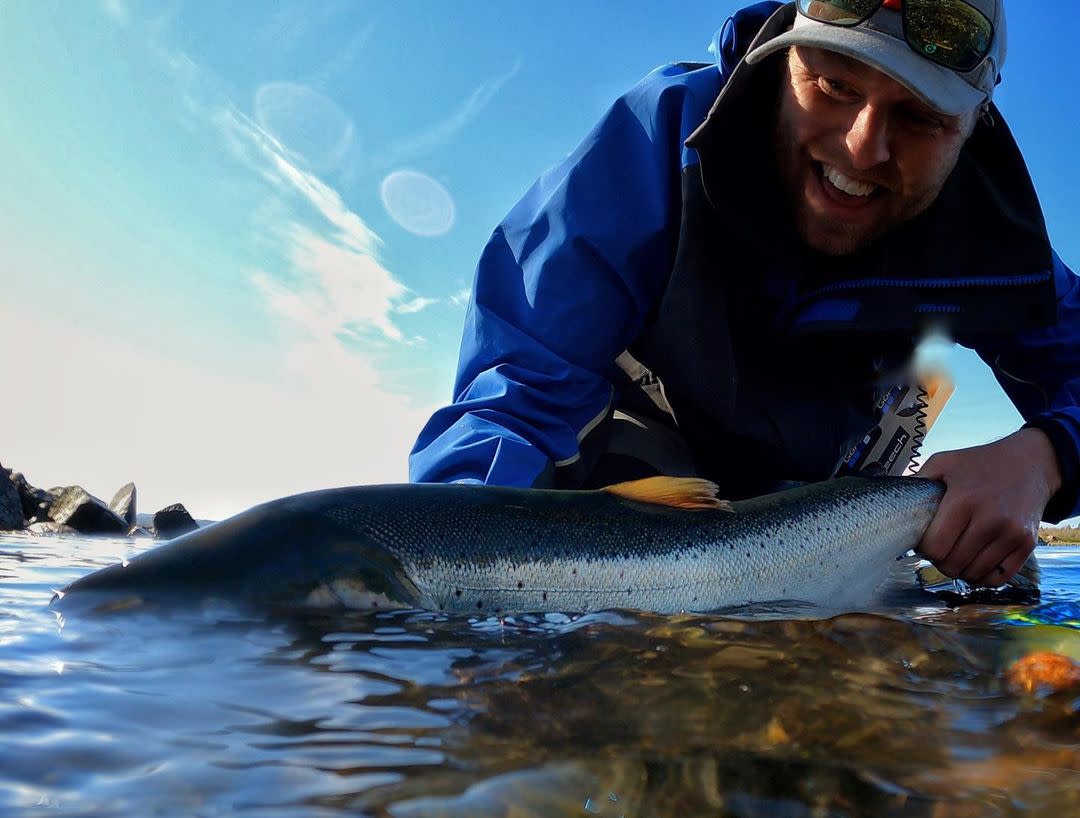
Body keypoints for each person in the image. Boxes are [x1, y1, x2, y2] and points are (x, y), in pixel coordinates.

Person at [409, 0, 1078, 589]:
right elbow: (518, 396)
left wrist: (1045, 456)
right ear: (783, 55)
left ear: (974, 125)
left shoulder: (988, 234)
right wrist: (447, 584)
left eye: (920, 117)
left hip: (828, 491)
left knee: (992, 585)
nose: (862, 147)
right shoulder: (663, 137)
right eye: (835, 84)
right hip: (642, 471)